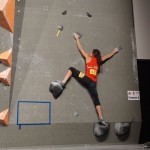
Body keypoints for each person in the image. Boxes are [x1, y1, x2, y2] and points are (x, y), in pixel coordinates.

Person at [59, 33, 119, 126]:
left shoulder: (88, 58)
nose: (90, 53)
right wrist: (114, 51)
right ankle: (101, 119)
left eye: (91, 52)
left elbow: (80, 48)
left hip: (86, 79)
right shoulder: (99, 61)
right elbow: (107, 56)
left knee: (71, 69)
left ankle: (63, 82)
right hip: (93, 84)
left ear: (93, 54)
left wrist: (77, 38)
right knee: (96, 100)